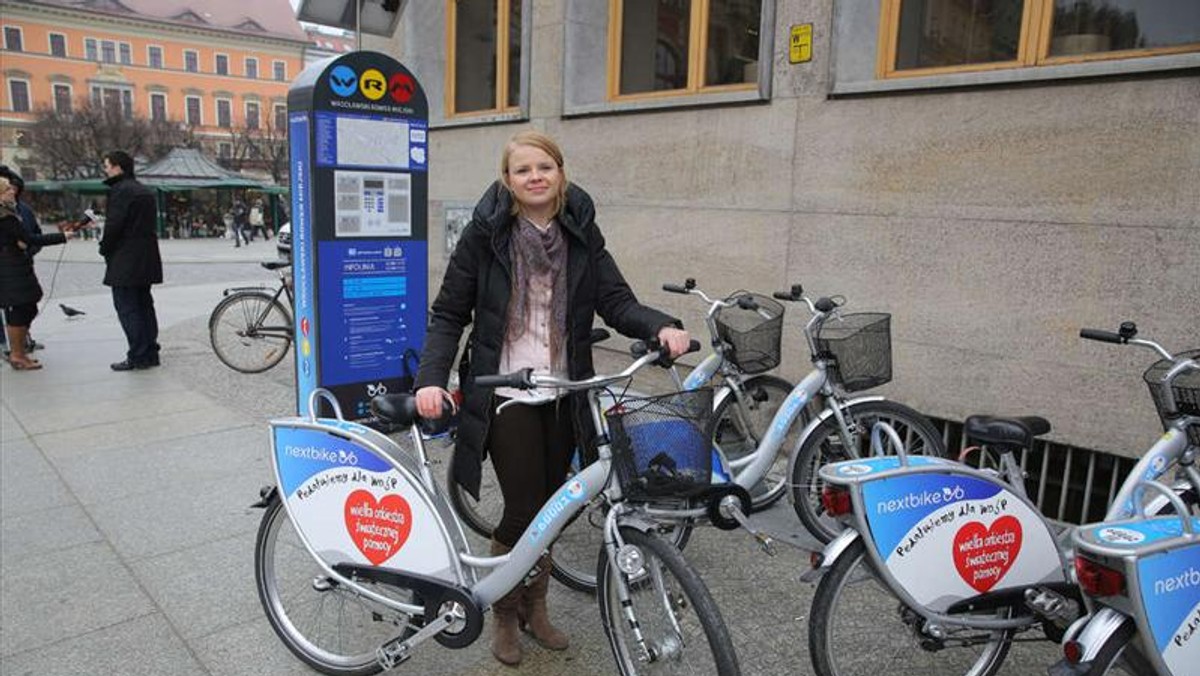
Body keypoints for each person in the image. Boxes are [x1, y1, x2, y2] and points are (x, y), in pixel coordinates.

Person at [412, 131, 691, 667]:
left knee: (556, 510)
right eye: (523, 170)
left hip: (565, 388)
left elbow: (614, 299)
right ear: (508, 180)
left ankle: (535, 607)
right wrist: (431, 377)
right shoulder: (486, 235)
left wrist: (661, 326)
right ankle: (503, 612)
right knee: (522, 508)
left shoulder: (579, 230)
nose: (535, 176)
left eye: (545, 166)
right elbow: (449, 313)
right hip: (506, 387)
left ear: (560, 173)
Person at [100, 150, 163, 371]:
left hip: (126, 258)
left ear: (118, 167)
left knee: (128, 308)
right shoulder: (143, 190)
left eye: (107, 166)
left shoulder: (120, 191)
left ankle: (138, 354)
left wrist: (104, 248)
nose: (105, 170)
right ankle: (150, 351)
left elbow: (114, 226)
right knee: (144, 305)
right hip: (146, 256)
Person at [0, 175, 70, 370]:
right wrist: (61, 236)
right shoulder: (5, 217)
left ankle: (20, 352)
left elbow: (24, 238)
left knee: (27, 308)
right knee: (20, 309)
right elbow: (29, 238)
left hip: (16, 266)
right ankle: (17, 354)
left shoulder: (10, 213)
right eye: (7, 190)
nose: (12, 191)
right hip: (10, 269)